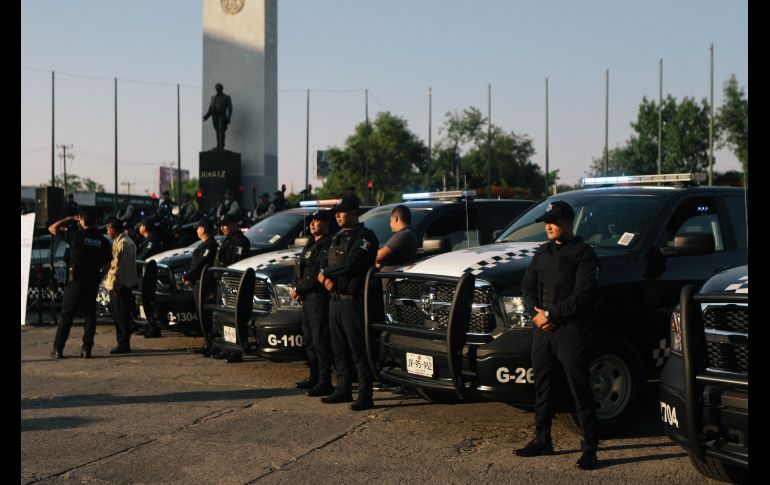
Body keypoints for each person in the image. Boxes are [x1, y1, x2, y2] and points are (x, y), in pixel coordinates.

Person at [515, 201, 601, 470]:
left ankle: (590, 448)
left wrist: (551, 315)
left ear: (568, 221)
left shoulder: (584, 254)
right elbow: (527, 288)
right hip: (542, 331)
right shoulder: (542, 253)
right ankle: (543, 439)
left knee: (580, 390)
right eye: (546, 222)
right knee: (543, 387)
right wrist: (537, 315)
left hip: (570, 331)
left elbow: (584, 295)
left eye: (553, 220)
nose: (548, 226)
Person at [317, 195, 379, 411]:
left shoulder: (365, 237)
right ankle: (343, 389)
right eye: (336, 212)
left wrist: (326, 273)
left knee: (358, 350)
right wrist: (325, 278)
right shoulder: (337, 237)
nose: (337, 216)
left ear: (354, 213)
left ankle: (365, 394)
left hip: (353, 302)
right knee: (339, 350)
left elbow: (353, 264)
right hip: (335, 300)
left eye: (341, 212)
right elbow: (325, 261)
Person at [47, 210, 111, 358]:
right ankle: (86, 349)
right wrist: (100, 275)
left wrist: (69, 218)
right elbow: (108, 262)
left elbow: (52, 228)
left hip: (76, 281)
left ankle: (58, 349)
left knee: (66, 315)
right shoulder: (102, 240)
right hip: (92, 281)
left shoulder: (76, 235)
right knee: (90, 316)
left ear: (81, 220)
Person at [291, 210, 335, 397]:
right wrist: (297, 288)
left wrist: (299, 290)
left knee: (320, 340)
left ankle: (325, 381)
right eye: (312, 221)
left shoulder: (328, 244)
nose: (313, 224)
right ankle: (314, 376)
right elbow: (300, 270)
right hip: (306, 298)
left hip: (317, 298)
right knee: (309, 338)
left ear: (326, 224)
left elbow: (318, 274)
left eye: (317, 221)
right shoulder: (311, 244)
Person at [209, 214, 252, 363]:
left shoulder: (241, 241)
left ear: (234, 224)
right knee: (223, 317)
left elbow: (237, 263)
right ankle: (226, 347)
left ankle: (235, 350)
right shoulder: (227, 240)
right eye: (221, 225)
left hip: (234, 283)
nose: (223, 228)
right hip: (223, 282)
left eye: (226, 225)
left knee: (233, 318)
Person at [182, 218, 219, 357]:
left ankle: (211, 342)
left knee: (206, 315)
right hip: (199, 283)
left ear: (203, 230)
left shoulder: (210, 245)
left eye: (198, 228)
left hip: (205, 284)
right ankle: (207, 342)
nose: (197, 230)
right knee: (201, 314)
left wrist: (188, 276)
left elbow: (200, 264)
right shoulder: (204, 244)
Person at [104, 217, 139, 354]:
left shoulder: (123, 243)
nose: (107, 231)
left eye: (108, 228)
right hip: (119, 285)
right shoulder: (121, 242)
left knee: (121, 315)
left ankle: (123, 343)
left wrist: (117, 285)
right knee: (119, 314)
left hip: (120, 286)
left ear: (114, 229)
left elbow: (122, 268)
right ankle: (122, 342)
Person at [136, 218, 165, 338]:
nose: (139, 228)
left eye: (140, 226)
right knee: (143, 300)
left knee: (148, 300)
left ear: (145, 227)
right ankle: (147, 325)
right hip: (145, 273)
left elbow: (144, 256)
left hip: (151, 275)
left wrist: (135, 261)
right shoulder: (146, 240)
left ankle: (154, 327)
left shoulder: (152, 240)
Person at [375, 205, 419, 270]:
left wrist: (366, 250)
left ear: (396, 218)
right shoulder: (407, 234)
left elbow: (380, 256)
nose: (390, 224)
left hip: (394, 278)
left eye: (390, 220)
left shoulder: (404, 235)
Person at [202, 82, 233, 151]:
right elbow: (211, 108)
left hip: (222, 116)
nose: (217, 89)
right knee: (217, 131)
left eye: (218, 88)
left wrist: (228, 117)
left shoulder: (227, 97)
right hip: (215, 116)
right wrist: (206, 116)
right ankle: (218, 145)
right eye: (216, 88)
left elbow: (230, 108)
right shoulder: (213, 98)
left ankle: (222, 146)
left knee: (221, 130)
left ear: (221, 89)